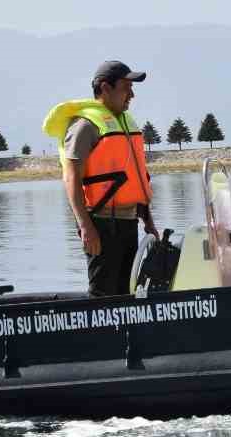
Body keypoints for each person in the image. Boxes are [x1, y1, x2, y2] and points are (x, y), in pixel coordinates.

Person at [42, 60, 157, 296]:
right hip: (101, 224)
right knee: (103, 295)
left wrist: (148, 220)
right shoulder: (85, 126)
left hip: (128, 221)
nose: (132, 95)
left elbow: (136, 178)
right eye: (126, 87)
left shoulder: (125, 123)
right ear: (105, 88)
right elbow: (71, 178)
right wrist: (86, 226)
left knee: (128, 291)